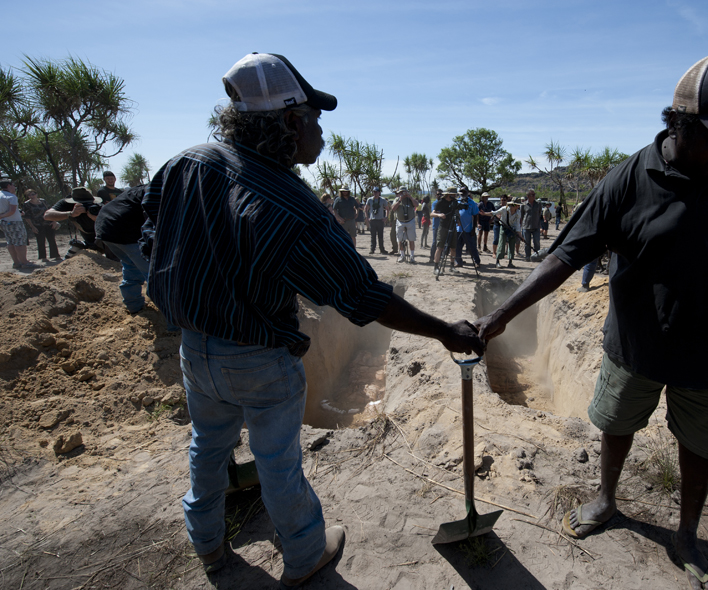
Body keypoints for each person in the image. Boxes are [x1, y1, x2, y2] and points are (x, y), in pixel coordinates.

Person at [475, 50, 708, 590]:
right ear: (678, 123)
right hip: (635, 348)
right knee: (615, 425)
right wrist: (498, 316)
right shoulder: (632, 177)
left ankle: (687, 533)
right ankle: (606, 499)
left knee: (700, 445)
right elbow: (565, 255)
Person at [141, 52, 482, 588]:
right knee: (277, 460)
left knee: (207, 447)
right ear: (290, 120)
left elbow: (146, 228)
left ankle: (207, 544)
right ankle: (304, 553)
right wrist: (444, 330)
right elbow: (361, 296)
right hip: (257, 356)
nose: (321, 130)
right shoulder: (289, 202)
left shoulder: (186, 162)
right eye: (316, 118)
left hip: (193, 348)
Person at [94, 185, 177, 331]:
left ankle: (134, 305)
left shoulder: (144, 189)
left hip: (105, 228)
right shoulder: (159, 190)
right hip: (125, 230)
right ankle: (174, 324)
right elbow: (156, 221)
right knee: (156, 276)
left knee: (130, 265)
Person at [44, 187, 105, 258]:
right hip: (89, 241)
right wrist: (71, 214)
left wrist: (98, 219)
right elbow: (47, 215)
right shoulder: (67, 204)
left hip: (106, 240)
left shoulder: (99, 205)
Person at [0, 179, 38, 269]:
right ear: (8, 186)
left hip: (4, 223)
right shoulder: (11, 197)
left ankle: (16, 262)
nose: (14, 187)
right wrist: (1, 215)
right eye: (12, 185)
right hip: (14, 222)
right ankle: (24, 262)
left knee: (10, 242)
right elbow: (11, 211)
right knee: (20, 242)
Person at [20, 188, 61, 261]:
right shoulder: (27, 204)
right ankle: (43, 257)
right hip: (37, 225)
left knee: (52, 240)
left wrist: (54, 221)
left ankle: (56, 255)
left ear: (36, 194)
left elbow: (50, 210)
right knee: (40, 241)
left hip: (48, 223)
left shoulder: (43, 201)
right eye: (29, 195)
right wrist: (32, 226)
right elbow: (27, 217)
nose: (32, 196)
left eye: (33, 194)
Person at [432, 187, 459, 272]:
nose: (455, 195)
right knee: (440, 247)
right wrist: (439, 215)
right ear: (449, 194)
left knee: (453, 248)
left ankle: (452, 266)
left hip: (453, 226)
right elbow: (432, 213)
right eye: (453, 194)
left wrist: (458, 219)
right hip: (443, 227)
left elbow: (457, 212)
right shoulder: (441, 202)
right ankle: (436, 267)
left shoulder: (455, 202)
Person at [454, 187, 481, 269]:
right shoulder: (457, 202)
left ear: (467, 192)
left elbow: (476, 215)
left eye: (464, 192)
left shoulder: (472, 203)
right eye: (461, 192)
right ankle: (458, 261)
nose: (462, 193)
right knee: (457, 246)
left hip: (468, 229)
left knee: (472, 246)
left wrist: (474, 228)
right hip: (458, 229)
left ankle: (476, 261)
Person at [391, 187, 419, 264]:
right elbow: (393, 208)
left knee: (411, 239)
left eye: (404, 192)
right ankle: (402, 255)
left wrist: (410, 197)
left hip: (410, 221)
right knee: (400, 239)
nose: (403, 194)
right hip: (400, 221)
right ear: (399, 193)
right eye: (401, 192)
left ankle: (412, 256)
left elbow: (416, 205)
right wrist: (400, 200)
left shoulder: (410, 199)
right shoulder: (397, 200)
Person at [492, 200, 521, 268]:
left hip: (512, 229)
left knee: (511, 245)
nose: (518, 206)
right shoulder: (504, 209)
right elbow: (494, 213)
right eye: (517, 205)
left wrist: (520, 235)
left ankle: (510, 262)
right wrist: (484, 213)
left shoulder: (518, 212)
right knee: (501, 244)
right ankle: (497, 262)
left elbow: (517, 225)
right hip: (504, 227)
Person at [364, 187, 389, 254]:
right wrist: (367, 217)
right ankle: (372, 249)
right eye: (374, 192)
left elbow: (387, 209)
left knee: (381, 236)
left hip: (380, 220)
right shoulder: (370, 200)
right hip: (373, 220)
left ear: (379, 192)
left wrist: (386, 217)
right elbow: (366, 208)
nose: (375, 193)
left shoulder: (383, 200)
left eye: (376, 192)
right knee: (373, 236)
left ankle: (382, 249)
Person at [520, 189, 542, 261]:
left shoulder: (538, 204)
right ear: (528, 196)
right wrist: (520, 227)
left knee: (537, 242)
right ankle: (528, 256)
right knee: (527, 243)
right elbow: (521, 216)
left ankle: (537, 256)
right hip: (526, 227)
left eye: (534, 194)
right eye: (532, 195)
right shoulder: (523, 205)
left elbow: (539, 214)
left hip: (536, 226)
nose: (534, 196)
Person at [429, 188, 443, 262]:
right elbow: (433, 214)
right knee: (435, 242)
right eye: (438, 194)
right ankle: (432, 257)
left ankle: (439, 257)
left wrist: (438, 213)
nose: (439, 195)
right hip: (436, 226)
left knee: (442, 242)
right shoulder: (435, 203)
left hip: (443, 226)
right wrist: (439, 214)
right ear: (436, 195)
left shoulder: (444, 203)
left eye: (441, 194)